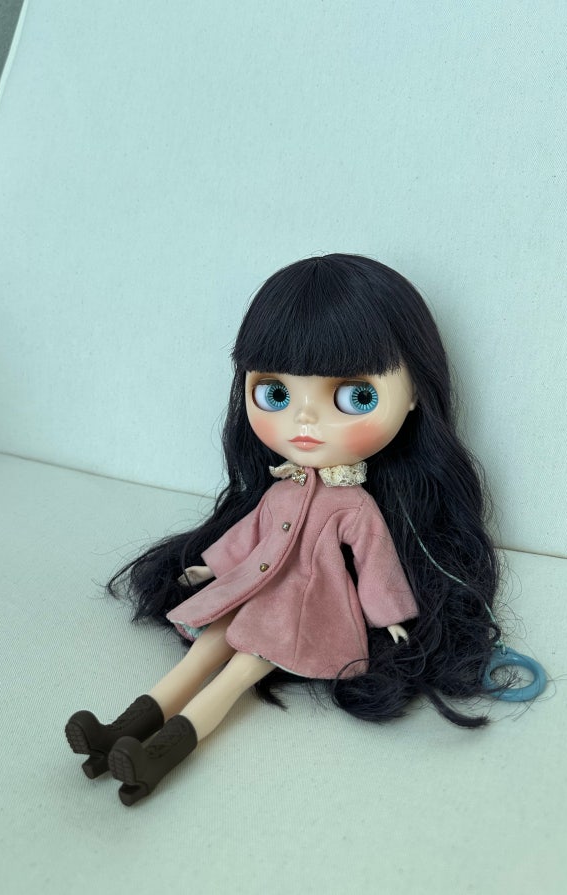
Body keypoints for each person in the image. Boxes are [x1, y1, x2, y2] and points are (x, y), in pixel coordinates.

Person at [66, 254, 507, 805]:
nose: (303, 420)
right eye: (275, 393)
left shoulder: (355, 507)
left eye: (355, 396)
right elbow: (249, 534)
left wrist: (390, 617)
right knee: (203, 652)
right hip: (249, 590)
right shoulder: (282, 486)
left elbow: (374, 561)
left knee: (235, 676)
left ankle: (158, 757)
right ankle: (115, 733)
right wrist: (208, 567)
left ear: (414, 392)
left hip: (302, 612)